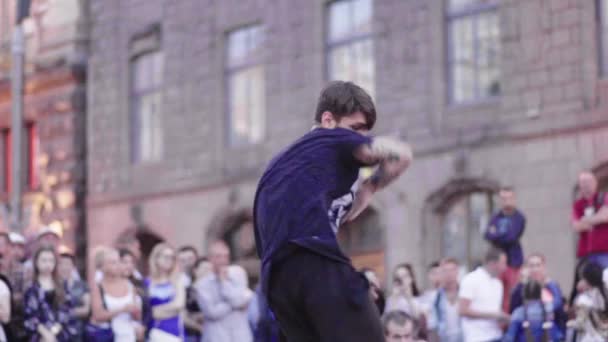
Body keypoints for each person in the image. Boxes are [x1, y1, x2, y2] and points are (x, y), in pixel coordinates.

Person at [254, 80, 413, 342]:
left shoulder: (289, 164)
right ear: (328, 120)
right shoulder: (331, 140)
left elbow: (341, 214)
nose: (358, 137)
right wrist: (381, 172)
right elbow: (399, 154)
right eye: (355, 129)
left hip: (277, 284)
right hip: (314, 263)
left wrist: (369, 188)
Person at [197, 240, 253, 342]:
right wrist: (237, 302)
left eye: (226, 256)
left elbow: (243, 301)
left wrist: (224, 283)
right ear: (210, 259)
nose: (223, 260)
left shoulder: (238, 273)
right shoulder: (202, 285)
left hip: (240, 336)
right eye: (218, 256)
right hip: (216, 337)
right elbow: (211, 313)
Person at [484, 187, 526, 311]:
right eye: (503, 198)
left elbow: (512, 237)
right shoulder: (496, 217)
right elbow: (487, 234)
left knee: (511, 294)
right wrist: (503, 234)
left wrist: (496, 234)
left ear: (514, 199)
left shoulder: (519, 217)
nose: (506, 201)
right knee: (496, 294)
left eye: (509, 198)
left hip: (513, 262)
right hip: (497, 262)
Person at [23, 247, 77, 341]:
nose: (48, 264)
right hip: (40, 335)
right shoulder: (31, 288)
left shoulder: (62, 285)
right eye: (44, 260)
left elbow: (68, 311)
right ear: (36, 262)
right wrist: (45, 334)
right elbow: (30, 316)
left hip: (61, 333)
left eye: (51, 260)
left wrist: (53, 332)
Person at [90, 246, 142, 342]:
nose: (117, 265)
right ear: (102, 267)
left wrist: (136, 312)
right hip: (108, 336)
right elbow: (98, 315)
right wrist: (122, 310)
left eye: (118, 261)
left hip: (128, 336)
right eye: (113, 262)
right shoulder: (98, 287)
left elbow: (137, 316)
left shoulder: (130, 285)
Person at [459, 247, 509, 342]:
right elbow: (462, 310)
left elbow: (494, 311)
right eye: (503, 263)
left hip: (497, 336)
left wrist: (504, 318)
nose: (505, 267)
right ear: (492, 263)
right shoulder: (471, 279)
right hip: (477, 338)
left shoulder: (498, 284)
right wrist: (492, 315)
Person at [509, 253, 566, 335]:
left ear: (544, 267)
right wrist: (522, 284)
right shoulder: (521, 289)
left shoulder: (552, 287)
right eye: (531, 266)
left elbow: (560, 314)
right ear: (526, 269)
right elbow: (513, 311)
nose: (535, 269)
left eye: (538, 265)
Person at [145, 243, 186, 341]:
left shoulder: (177, 280)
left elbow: (179, 304)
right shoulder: (147, 282)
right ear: (156, 258)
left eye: (172, 258)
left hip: (173, 331)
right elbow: (146, 311)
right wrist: (168, 310)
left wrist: (155, 311)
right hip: (153, 331)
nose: (169, 260)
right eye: (166, 257)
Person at [572, 171, 608, 268]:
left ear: (595, 182)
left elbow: (605, 216)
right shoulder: (578, 205)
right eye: (583, 182)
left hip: (604, 250)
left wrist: (585, 219)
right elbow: (577, 226)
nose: (586, 185)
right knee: (583, 281)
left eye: (589, 181)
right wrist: (598, 218)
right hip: (584, 253)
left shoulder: (604, 197)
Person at [568, 261, 608, 341]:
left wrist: (571, 323)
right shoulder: (602, 294)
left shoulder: (584, 299)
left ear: (587, 281)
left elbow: (580, 323)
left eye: (583, 279)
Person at [428, 258, 463, 342]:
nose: (449, 274)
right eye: (445, 271)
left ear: (457, 271)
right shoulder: (435, 297)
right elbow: (432, 326)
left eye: (452, 270)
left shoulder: (465, 294)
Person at [58, 250, 90, 341]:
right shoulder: (52, 285)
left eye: (67, 264)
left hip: (78, 331)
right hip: (57, 332)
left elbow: (86, 309)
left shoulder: (82, 285)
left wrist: (65, 312)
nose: (64, 267)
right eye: (61, 264)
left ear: (73, 266)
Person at [185, 257, 210, 342]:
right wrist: (199, 326)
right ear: (195, 270)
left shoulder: (215, 291)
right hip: (192, 336)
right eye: (205, 269)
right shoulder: (187, 292)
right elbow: (183, 316)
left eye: (210, 269)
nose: (208, 272)